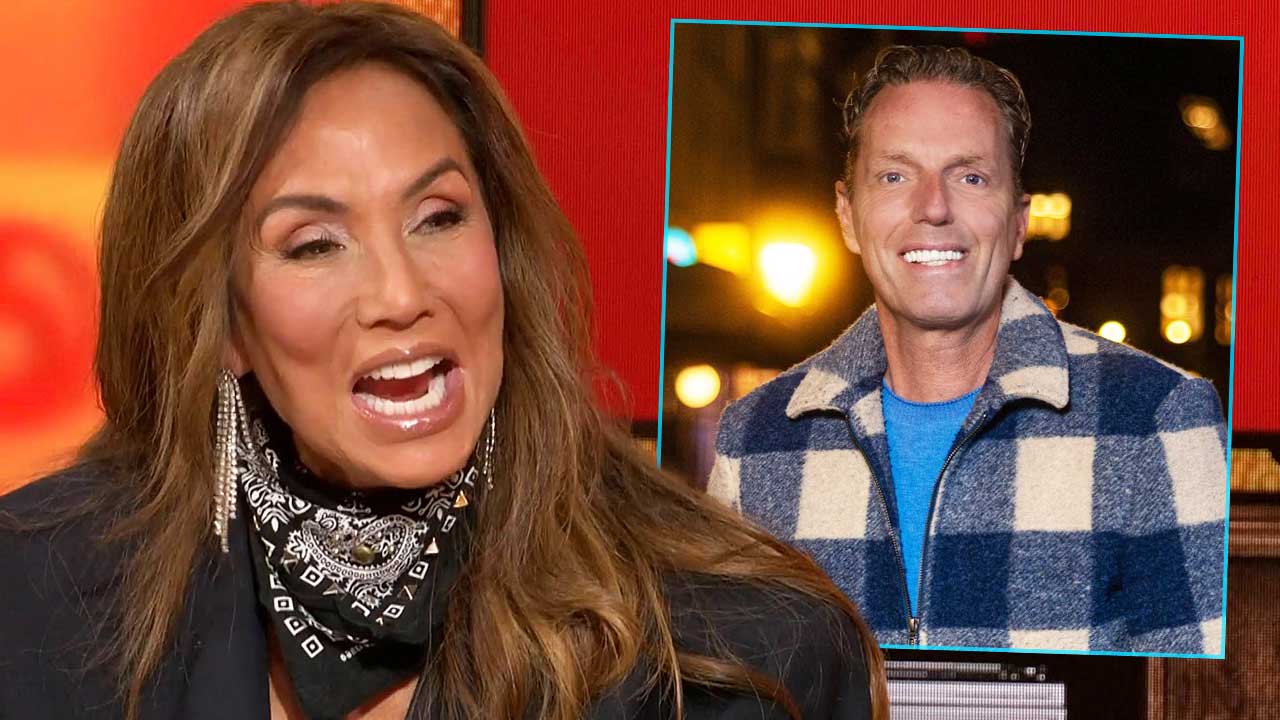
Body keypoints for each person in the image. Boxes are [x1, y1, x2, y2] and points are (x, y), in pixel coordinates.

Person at [0, 4, 886, 718]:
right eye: (314, 244)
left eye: (439, 218)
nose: (400, 293)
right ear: (221, 323)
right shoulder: (32, 603)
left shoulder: (738, 659)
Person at [709, 45, 1227, 654]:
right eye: (895, 176)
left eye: (970, 177)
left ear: (1018, 223)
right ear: (847, 216)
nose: (933, 207)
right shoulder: (755, 438)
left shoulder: (1158, 418)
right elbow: (730, 685)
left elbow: (1194, 694)